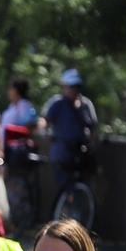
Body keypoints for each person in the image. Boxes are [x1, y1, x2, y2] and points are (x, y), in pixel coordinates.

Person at [41, 69, 97, 206]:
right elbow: (44, 121)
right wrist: (43, 131)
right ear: (64, 87)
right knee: (63, 185)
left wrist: (91, 144)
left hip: (80, 153)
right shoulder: (57, 103)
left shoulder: (85, 105)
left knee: (84, 182)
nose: (74, 90)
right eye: (71, 86)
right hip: (61, 153)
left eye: (76, 87)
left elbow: (93, 127)